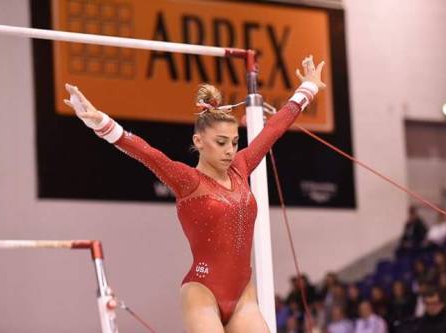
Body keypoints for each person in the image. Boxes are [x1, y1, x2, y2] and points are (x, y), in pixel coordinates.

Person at [63, 55, 326, 333]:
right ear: (198, 141)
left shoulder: (241, 167)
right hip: (203, 292)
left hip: (243, 296)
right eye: (221, 142)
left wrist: (307, 89)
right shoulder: (188, 181)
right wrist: (100, 122)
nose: (230, 151)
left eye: (235, 142)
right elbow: (147, 153)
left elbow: (273, 129)